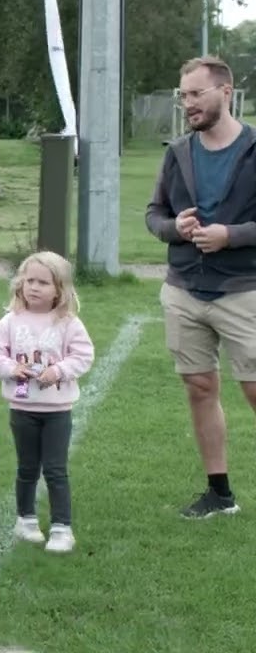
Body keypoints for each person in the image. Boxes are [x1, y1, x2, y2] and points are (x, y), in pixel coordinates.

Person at [145, 55, 256, 519]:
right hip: (185, 289)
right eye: (183, 95)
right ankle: (219, 493)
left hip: (243, 289)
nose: (188, 104)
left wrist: (230, 236)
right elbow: (154, 214)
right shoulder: (179, 153)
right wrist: (177, 228)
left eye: (196, 94)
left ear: (225, 93)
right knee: (199, 386)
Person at [0, 251, 94, 554]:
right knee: (27, 467)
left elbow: (83, 356)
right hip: (22, 409)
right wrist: (10, 369)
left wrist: (57, 371)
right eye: (29, 280)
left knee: (56, 469)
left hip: (57, 411)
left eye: (43, 282)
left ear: (60, 289)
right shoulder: (10, 320)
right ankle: (26, 519)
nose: (34, 287)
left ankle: (62, 527)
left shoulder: (68, 323)